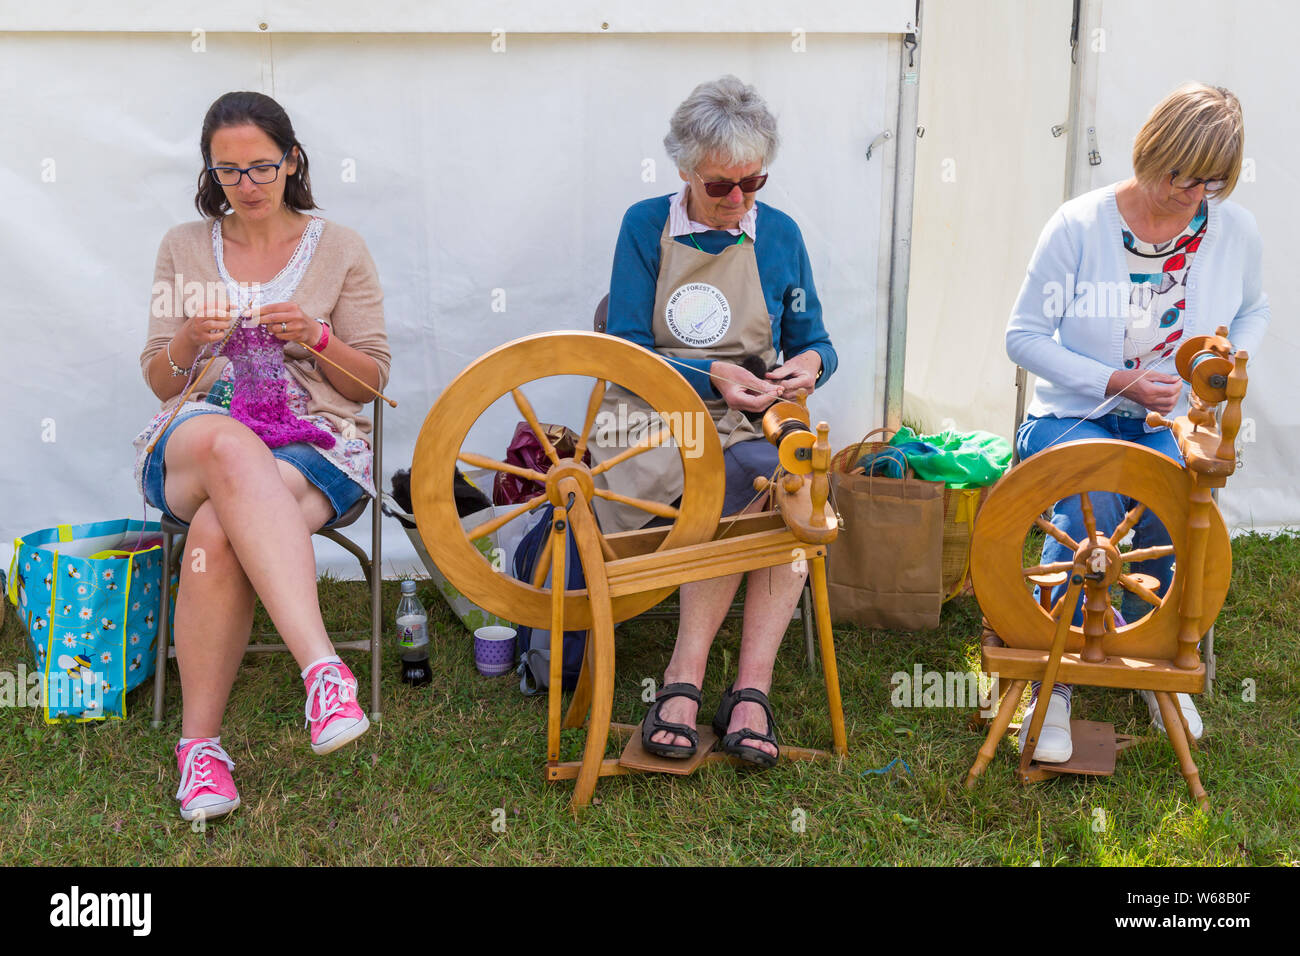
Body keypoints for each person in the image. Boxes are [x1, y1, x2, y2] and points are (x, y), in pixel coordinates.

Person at [134, 91, 391, 820]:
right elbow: (159, 376)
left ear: (293, 160)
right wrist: (189, 341)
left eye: (261, 167)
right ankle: (323, 671)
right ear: (209, 171)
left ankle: (200, 753)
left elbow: (369, 384)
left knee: (218, 529)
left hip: (314, 441)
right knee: (226, 439)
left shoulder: (340, 247)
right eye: (228, 171)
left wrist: (315, 336)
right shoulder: (184, 246)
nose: (245, 185)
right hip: (200, 432)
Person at [1006, 82, 1268, 762]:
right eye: (1178, 175)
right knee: (1090, 498)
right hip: (1074, 415)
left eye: (1208, 183)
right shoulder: (1079, 226)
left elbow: (1256, 309)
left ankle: (1155, 662)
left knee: (1182, 499)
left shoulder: (1232, 231)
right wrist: (1116, 381)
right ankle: (1054, 678)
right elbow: (1023, 338)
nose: (1188, 195)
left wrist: (1228, 359)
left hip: (1168, 423)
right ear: (1151, 152)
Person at [588, 76, 837, 768]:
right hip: (649, 413)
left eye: (752, 182)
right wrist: (709, 375)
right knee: (729, 478)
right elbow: (629, 344)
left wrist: (811, 366)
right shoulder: (646, 225)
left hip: (749, 416)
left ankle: (749, 688)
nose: (738, 200)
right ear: (685, 171)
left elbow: (816, 337)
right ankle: (683, 678)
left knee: (788, 482)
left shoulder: (778, 234)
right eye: (720, 185)